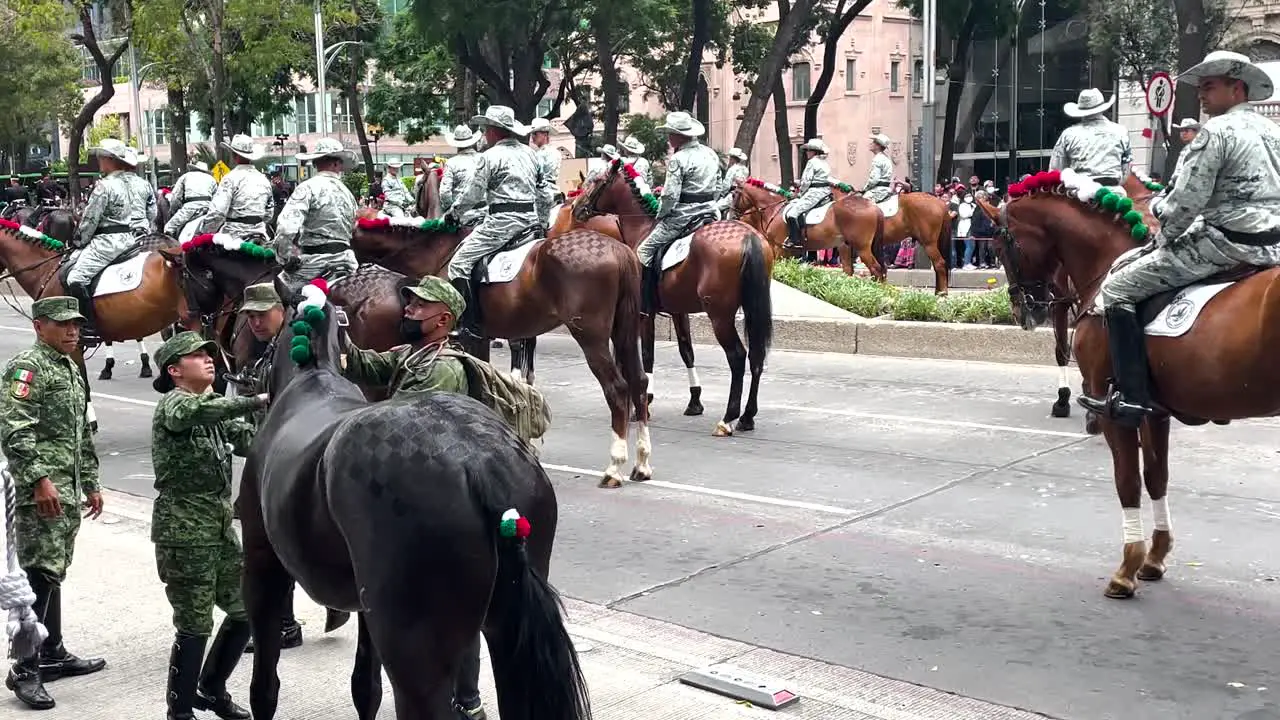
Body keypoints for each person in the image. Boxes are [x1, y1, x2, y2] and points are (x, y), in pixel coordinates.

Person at [1080, 51, 1280, 427]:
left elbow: (1186, 202)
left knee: (1119, 289)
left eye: (1209, 86)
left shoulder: (1217, 133)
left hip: (1225, 244)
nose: (1201, 95)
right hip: (1274, 246)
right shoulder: (1274, 131)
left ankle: (1132, 395)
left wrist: (1163, 230)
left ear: (1237, 88)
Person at [339, 276, 482, 719]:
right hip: (414, 489)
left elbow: (407, 421)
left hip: (436, 500)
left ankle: (465, 698)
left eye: (419, 308)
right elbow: (364, 366)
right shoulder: (412, 354)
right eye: (410, 304)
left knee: (452, 608)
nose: (408, 311)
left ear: (443, 320)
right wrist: (336, 330)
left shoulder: (445, 366)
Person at [150, 332, 266, 720]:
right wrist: (253, 400)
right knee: (195, 623)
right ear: (175, 370)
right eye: (197, 356)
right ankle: (179, 712)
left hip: (218, 530)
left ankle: (211, 688)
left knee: (244, 611)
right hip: (184, 534)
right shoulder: (176, 404)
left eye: (209, 354)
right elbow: (191, 414)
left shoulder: (214, 408)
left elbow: (253, 443)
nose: (209, 360)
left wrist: (274, 411)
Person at [0, 296, 106, 710]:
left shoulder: (69, 369)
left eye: (76, 325)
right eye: (62, 325)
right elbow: (14, 429)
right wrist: (40, 480)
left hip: (66, 489)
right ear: (39, 326)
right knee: (39, 577)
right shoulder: (29, 367)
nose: (72, 331)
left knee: (54, 571)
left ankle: (53, 651)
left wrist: (92, 483)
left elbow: (82, 434)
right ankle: (25, 670)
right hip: (40, 492)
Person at [444, 105, 550, 339]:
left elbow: (473, 193)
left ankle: (468, 325)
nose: (484, 134)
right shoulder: (531, 154)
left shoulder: (489, 156)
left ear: (493, 130)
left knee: (458, 264)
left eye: (485, 129)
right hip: (531, 223)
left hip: (501, 224)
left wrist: (453, 213)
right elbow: (546, 194)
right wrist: (542, 224)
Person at [634, 111, 720, 313]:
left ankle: (647, 302)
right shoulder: (710, 153)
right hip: (711, 212)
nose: (668, 138)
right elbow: (718, 186)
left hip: (683, 216)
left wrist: (660, 214)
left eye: (670, 133)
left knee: (643, 251)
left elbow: (671, 196)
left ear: (681, 135)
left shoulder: (678, 158)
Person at [66, 139, 147, 343]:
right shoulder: (134, 183)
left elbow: (91, 218)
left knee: (75, 278)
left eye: (101, 157)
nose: (99, 160)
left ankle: (88, 326)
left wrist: (79, 241)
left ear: (110, 160)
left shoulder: (105, 185)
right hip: (131, 239)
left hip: (107, 242)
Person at [274, 137, 359, 293]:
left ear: (315, 162)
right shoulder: (349, 194)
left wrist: (284, 258)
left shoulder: (307, 187)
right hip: (347, 263)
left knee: (275, 292)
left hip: (315, 264)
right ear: (337, 164)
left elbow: (286, 228)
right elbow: (354, 228)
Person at [1048, 88, 1132, 186]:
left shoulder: (1068, 134)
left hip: (1079, 191)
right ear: (1102, 109)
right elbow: (1126, 170)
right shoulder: (1121, 131)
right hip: (1114, 190)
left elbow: (1055, 171)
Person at [200, 134, 274, 242]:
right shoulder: (264, 179)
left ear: (234, 155)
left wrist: (204, 231)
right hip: (260, 234)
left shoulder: (230, 179)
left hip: (233, 236)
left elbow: (218, 213)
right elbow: (269, 214)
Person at [781, 138, 834, 250]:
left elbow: (806, 181)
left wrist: (800, 193)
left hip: (814, 193)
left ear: (814, 151)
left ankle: (795, 240)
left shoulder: (812, 162)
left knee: (792, 214)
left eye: (809, 150)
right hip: (826, 192)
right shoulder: (824, 163)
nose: (807, 152)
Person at [440, 124, 486, 226]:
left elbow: (444, 193)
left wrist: (449, 210)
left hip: (461, 213)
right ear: (472, 142)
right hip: (487, 211)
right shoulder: (485, 158)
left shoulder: (451, 163)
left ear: (456, 144)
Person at [164, 161, 217, 241]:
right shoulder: (212, 179)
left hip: (190, 208)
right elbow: (216, 197)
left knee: (168, 228)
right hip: (209, 208)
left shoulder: (185, 176)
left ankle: (172, 250)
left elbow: (175, 197)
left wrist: (173, 210)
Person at [529, 118, 565, 204]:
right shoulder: (556, 152)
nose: (532, 137)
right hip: (555, 191)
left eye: (534, 133)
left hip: (541, 195)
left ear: (544, 134)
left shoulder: (539, 154)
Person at [120, 156, 158, 235]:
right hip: (142, 228)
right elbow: (152, 211)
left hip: (121, 231)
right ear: (135, 167)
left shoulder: (112, 184)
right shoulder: (145, 184)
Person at [1167, 118, 1201, 190]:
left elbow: (1182, 172)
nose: (1183, 133)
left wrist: (1172, 183)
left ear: (1196, 132)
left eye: (1187, 130)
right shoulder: (1187, 148)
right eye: (1181, 130)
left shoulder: (1195, 149)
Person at [716, 147, 749, 218]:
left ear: (733, 159)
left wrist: (721, 194)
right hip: (743, 195)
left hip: (733, 194)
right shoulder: (745, 169)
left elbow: (726, 185)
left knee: (715, 208)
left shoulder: (732, 169)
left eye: (730, 158)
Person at [863, 134, 894, 204]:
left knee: (860, 205)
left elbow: (874, 180)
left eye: (873, 142)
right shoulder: (885, 158)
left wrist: (864, 189)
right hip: (886, 189)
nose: (871, 143)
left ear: (878, 146)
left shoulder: (877, 159)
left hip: (878, 191)